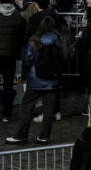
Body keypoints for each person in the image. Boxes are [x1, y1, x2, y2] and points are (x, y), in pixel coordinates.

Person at [9, 14, 64, 144]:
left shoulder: (35, 40)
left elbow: (28, 60)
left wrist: (27, 75)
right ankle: (44, 136)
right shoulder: (58, 39)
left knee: (27, 106)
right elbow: (61, 58)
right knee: (48, 110)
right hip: (52, 80)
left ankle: (22, 135)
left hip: (36, 79)